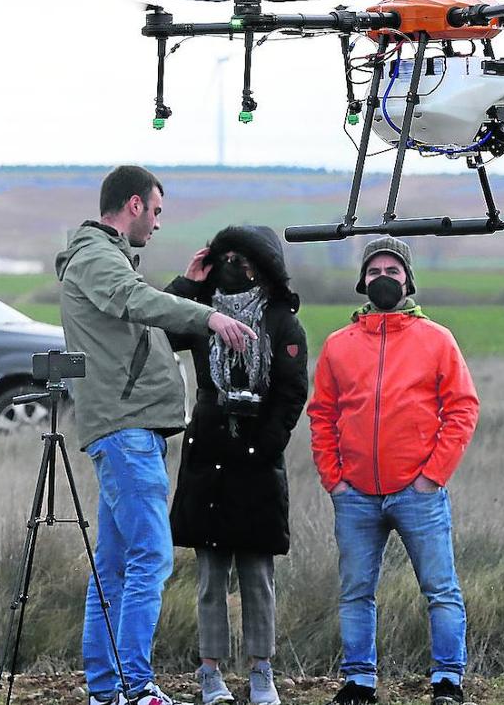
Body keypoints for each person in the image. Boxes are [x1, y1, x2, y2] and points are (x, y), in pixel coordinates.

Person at [54, 166, 257, 705]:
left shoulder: (103, 259)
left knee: (116, 568)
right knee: (151, 557)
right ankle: (135, 687)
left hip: (127, 429)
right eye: (158, 211)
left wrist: (189, 287)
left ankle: (106, 691)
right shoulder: (98, 258)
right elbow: (137, 302)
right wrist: (210, 317)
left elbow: (140, 313)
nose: (159, 224)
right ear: (136, 205)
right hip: (125, 430)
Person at [306, 237, 480, 705]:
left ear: (408, 280)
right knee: (356, 592)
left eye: (393, 270)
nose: (384, 278)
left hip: (417, 492)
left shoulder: (436, 339)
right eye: (375, 271)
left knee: (440, 590)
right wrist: (334, 479)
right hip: (355, 494)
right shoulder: (339, 345)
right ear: (362, 280)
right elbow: (321, 413)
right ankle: (359, 681)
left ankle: (447, 680)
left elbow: (462, 408)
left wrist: (432, 476)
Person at [165, 226, 309, 705]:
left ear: (264, 265)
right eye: (225, 257)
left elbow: (291, 392)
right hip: (207, 452)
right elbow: (158, 331)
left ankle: (261, 672)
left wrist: (264, 447)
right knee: (209, 576)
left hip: (258, 458)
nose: (234, 267)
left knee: (257, 574)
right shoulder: (200, 315)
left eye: (245, 259)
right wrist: (188, 284)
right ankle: (210, 674)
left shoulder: (282, 321)